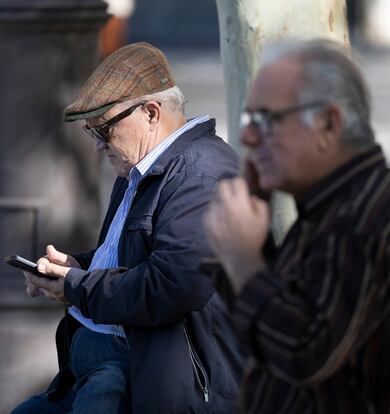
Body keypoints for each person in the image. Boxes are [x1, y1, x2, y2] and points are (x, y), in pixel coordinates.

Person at [12, 42, 243, 414]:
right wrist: (76, 266)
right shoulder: (139, 167)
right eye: (92, 132)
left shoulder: (203, 175)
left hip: (158, 383)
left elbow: (170, 285)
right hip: (107, 365)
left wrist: (76, 286)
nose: (98, 147)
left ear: (151, 113)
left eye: (104, 129)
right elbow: (135, 257)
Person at [204, 39, 390, 413]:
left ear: (329, 123)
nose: (249, 138)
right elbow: (268, 333)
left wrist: (243, 261)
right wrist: (250, 247)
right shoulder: (331, 203)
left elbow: (305, 352)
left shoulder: (359, 218)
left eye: (267, 119)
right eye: (248, 120)